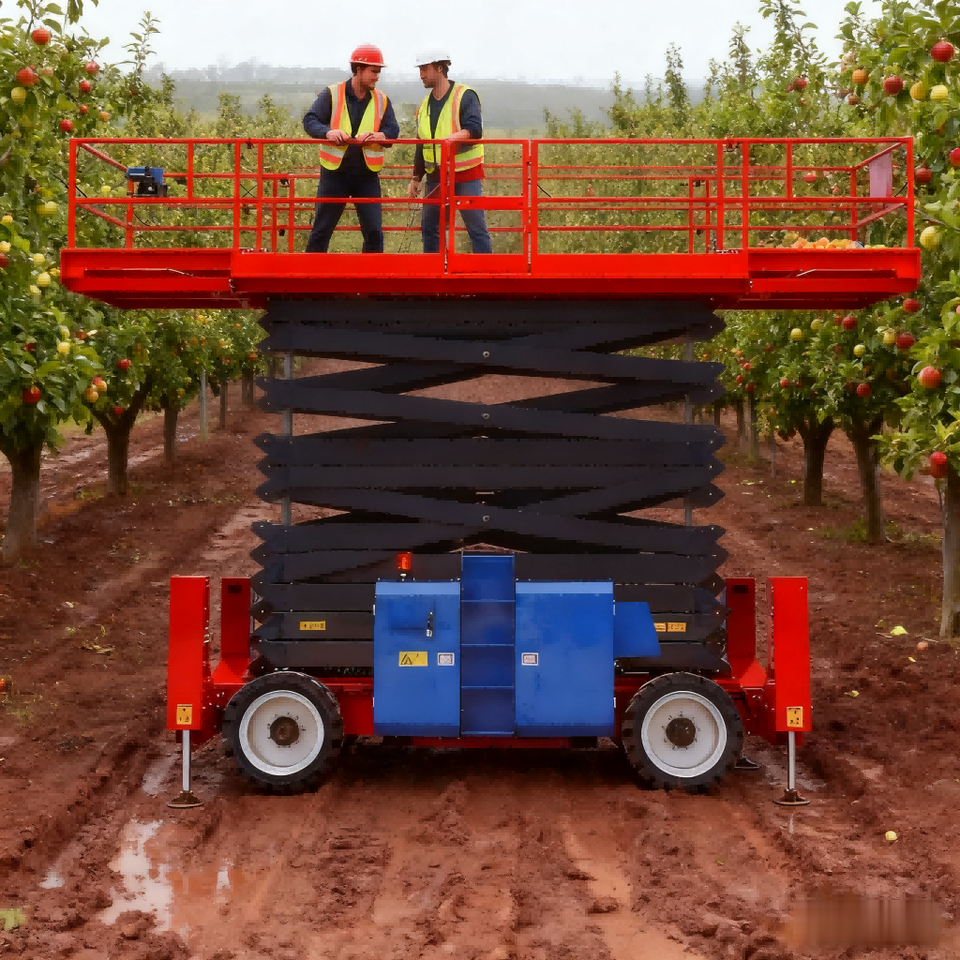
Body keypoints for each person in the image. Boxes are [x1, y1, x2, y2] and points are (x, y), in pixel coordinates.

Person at [302, 44, 399, 252]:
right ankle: (311, 272)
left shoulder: (382, 100)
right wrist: (327, 132)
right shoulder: (332, 93)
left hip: (367, 175)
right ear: (359, 69)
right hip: (335, 174)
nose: (377, 77)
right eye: (374, 71)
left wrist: (381, 136)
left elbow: (393, 130)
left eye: (379, 72)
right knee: (321, 230)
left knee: (374, 232)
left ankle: (371, 272)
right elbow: (310, 120)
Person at [407, 51, 492, 254]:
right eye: (420, 69)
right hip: (435, 177)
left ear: (440, 68)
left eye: (425, 68)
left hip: (465, 175)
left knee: (476, 229)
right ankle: (434, 271)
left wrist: (451, 139)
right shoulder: (424, 105)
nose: (421, 74)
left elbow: (475, 129)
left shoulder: (465, 96)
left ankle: (486, 272)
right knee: (429, 227)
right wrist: (416, 178)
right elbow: (422, 143)